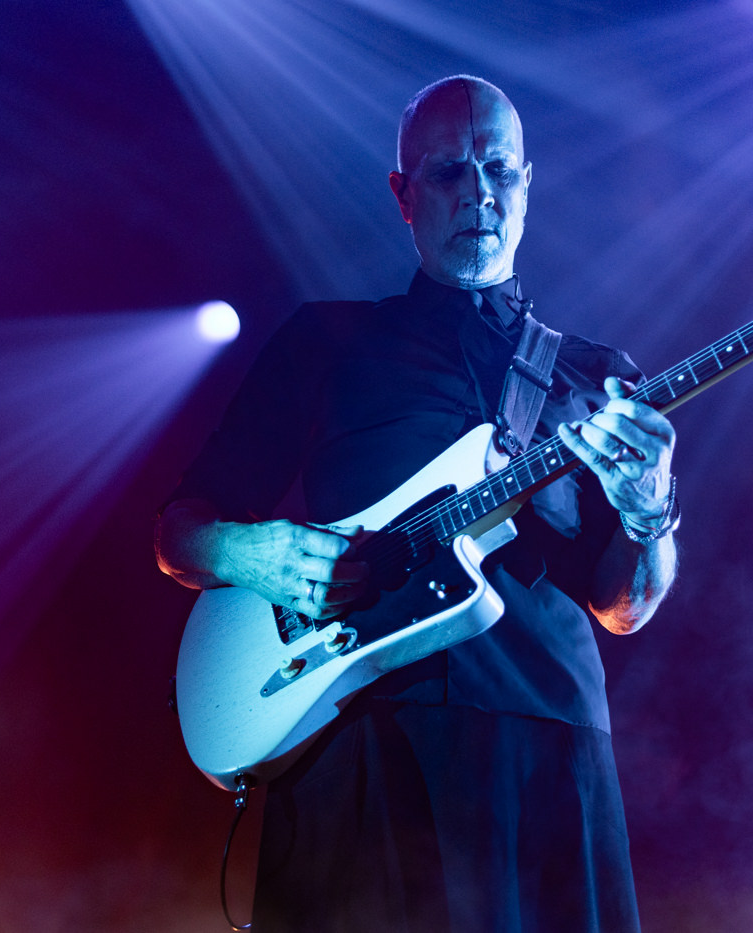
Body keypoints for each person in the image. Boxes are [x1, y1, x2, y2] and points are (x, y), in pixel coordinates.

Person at [156, 75, 679, 933]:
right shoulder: (326, 343)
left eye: (498, 170)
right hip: (358, 739)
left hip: (544, 748)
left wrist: (649, 511)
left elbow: (626, 606)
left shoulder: (597, 379)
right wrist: (250, 553)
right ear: (403, 195)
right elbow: (178, 533)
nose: (478, 193)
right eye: (448, 172)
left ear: (526, 185)